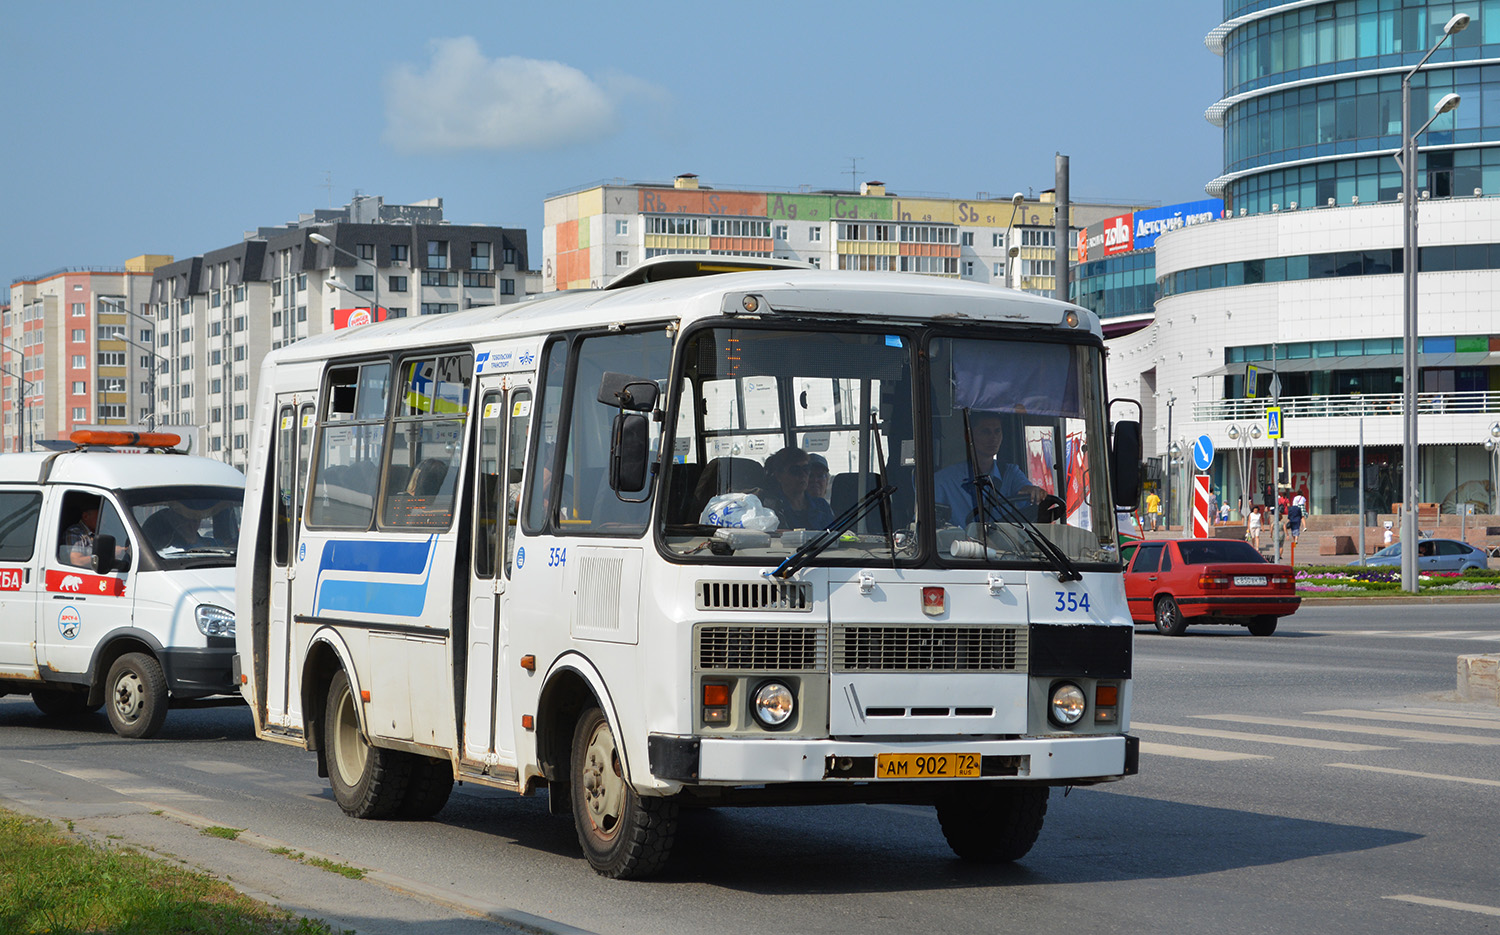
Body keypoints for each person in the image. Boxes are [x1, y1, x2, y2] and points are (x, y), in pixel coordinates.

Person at [934, 411, 1044, 526]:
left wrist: (1033, 491)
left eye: (997, 431)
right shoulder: (943, 481)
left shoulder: (1010, 473)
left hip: (1005, 543)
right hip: (961, 543)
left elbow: (1026, 488)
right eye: (986, 432)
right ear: (969, 436)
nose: (993, 438)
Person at [763, 447, 835, 530]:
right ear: (779, 475)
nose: (802, 474)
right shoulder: (771, 508)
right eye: (795, 470)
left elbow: (834, 535)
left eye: (806, 469)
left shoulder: (821, 506)